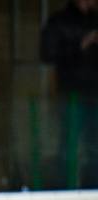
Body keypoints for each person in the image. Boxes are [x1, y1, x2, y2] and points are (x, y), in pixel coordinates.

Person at [40, 0, 98, 189]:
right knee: (68, 145)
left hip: (94, 94)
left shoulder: (94, 19)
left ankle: (92, 189)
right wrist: (81, 44)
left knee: (94, 147)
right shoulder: (60, 21)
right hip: (71, 94)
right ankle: (64, 190)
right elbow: (47, 54)